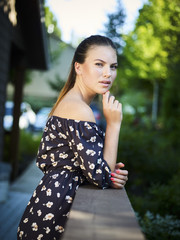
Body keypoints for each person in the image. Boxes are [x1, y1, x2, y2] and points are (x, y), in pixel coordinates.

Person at [17, 35, 128, 240]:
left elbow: (96, 171)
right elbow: (100, 178)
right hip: (55, 214)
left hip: (49, 206)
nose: (108, 73)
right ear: (78, 67)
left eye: (113, 66)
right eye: (99, 64)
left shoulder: (73, 103)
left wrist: (112, 175)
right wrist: (114, 124)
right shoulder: (78, 110)